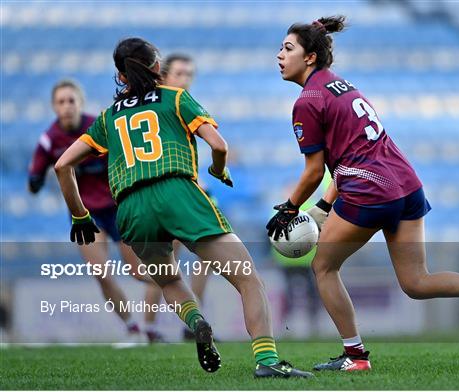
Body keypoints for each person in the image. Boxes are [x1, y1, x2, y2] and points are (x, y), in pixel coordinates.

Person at [268, 16, 459, 372]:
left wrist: (289, 208)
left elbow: (314, 170)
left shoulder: (307, 100)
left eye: (288, 48)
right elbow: (346, 157)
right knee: (416, 282)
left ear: (310, 57)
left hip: (370, 188)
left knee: (323, 266)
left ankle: (355, 357)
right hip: (406, 184)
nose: (279, 55)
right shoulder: (342, 86)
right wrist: (325, 205)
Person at [54, 37, 312, 378]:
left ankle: (195, 321)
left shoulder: (106, 118)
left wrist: (79, 215)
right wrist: (218, 170)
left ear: (120, 77)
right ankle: (266, 361)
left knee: (169, 279)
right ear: (157, 68)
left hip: (131, 208)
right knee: (248, 278)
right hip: (178, 193)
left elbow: (62, 166)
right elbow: (219, 145)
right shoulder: (175, 98)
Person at [28, 79, 164, 344]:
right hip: (85, 216)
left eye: (71, 100)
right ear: (53, 107)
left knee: (138, 272)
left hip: (118, 209)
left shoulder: (100, 127)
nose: (67, 107)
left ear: (80, 103)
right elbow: (35, 175)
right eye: (61, 102)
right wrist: (36, 180)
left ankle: (171, 292)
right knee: (101, 273)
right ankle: (133, 329)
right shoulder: (49, 141)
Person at [161, 53, 212, 340]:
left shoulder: (186, 105)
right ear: (164, 76)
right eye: (179, 74)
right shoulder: (165, 106)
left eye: (189, 74)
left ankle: (194, 320)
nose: (185, 80)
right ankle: (148, 327)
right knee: (164, 262)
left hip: (189, 188)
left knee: (205, 255)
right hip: (167, 192)